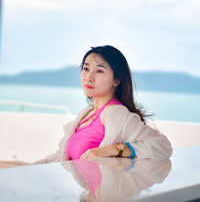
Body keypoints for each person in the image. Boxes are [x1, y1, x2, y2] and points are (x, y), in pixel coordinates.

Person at [35, 45, 172, 164]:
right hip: (84, 193)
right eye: (86, 69)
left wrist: (112, 149)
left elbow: (162, 146)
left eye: (99, 70)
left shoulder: (115, 112)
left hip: (102, 193)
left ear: (116, 80)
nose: (88, 77)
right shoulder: (86, 113)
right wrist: (28, 167)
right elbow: (60, 157)